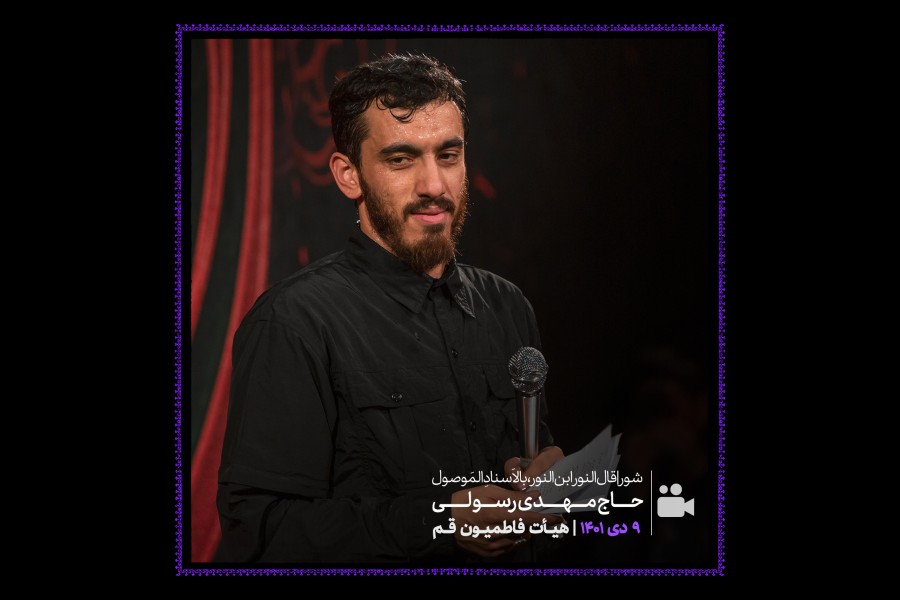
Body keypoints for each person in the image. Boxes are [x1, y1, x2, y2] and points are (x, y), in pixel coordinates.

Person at [215, 52, 564, 564]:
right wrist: (438, 521)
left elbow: (534, 456)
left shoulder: (507, 305)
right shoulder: (293, 322)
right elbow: (261, 533)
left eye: (448, 155)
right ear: (348, 175)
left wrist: (550, 476)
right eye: (401, 159)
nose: (434, 186)